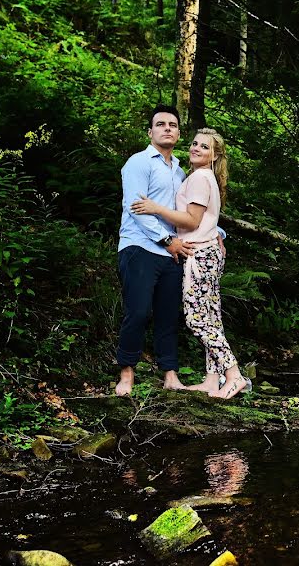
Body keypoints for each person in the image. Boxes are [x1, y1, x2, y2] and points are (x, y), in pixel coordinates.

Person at [131, 128, 250, 399]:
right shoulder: (204, 177)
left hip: (200, 256)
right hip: (209, 252)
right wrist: (218, 234)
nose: (196, 148)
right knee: (211, 317)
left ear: (215, 155)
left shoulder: (199, 178)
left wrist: (155, 208)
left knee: (197, 319)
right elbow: (206, 220)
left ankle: (233, 375)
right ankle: (211, 379)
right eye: (195, 143)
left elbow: (192, 221)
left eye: (204, 147)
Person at [114, 105, 195, 396]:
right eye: (161, 124)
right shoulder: (138, 162)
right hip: (140, 247)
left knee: (167, 314)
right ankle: (126, 372)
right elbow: (137, 209)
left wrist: (218, 233)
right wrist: (166, 240)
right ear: (150, 132)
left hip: (170, 253)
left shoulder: (180, 171)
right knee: (137, 312)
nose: (167, 128)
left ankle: (170, 374)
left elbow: (186, 213)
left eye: (173, 125)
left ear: (178, 133)